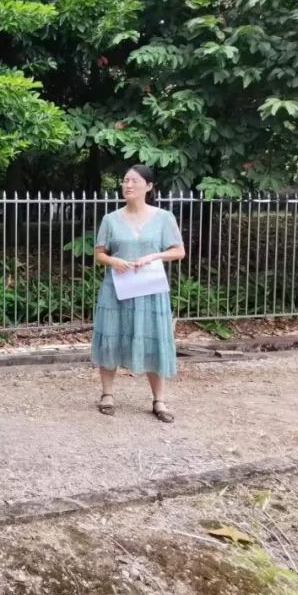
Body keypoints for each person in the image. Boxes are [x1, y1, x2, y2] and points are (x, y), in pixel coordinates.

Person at [91, 164, 186, 423]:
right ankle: (107, 394)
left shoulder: (164, 218)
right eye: (125, 180)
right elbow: (99, 254)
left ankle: (159, 400)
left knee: (154, 338)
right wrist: (114, 261)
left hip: (150, 289)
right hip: (117, 288)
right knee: (111, 336)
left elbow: (179, 251)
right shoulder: (111, 219)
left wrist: (154, 256)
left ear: (149, 186)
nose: (128, 185)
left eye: (134, 181)